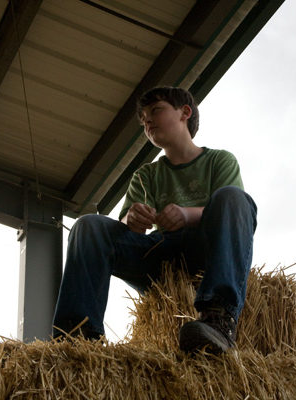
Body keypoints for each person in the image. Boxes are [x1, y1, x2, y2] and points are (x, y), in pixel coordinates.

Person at [52, 86, 257, 354]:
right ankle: (77, 336)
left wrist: (186, 214)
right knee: (88, 226)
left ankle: (218, 318)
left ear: (185, 112)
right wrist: (131, 219)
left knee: (234, 198)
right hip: (159, 255)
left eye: (155, 111)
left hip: (206, 253)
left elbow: (232, 212)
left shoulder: (219, 160)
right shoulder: (146, 175)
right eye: (143, 120)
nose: (147, 121)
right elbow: (124, 225)